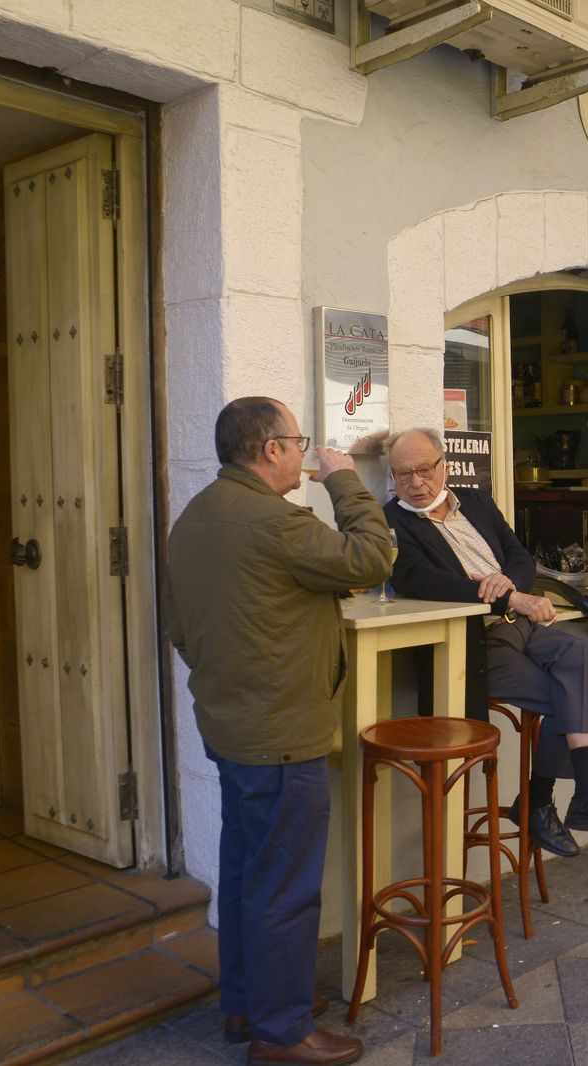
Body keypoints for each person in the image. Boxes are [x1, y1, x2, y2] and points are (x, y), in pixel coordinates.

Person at [166, 397, 393, 1066]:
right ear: (270, 450)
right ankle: (282, 1031)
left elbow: (181, 627)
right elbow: (375, 556)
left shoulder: (194, 518)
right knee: (286, 887)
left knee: (245, 872)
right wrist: (345, 478)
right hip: (281, 731)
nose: (304, 453)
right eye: (298, 443)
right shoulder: (275, 523)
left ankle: (249, 1000)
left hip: (231, 724)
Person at [382, 428, 588, 860]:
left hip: (522, 625)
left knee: (583, 655)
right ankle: (549, 799)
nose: (415, 482)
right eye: (402, 474)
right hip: (479, 642)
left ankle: (568, 798)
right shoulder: (394, 522)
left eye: (424, 470)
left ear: (444, 466)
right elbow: (419, 580)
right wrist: (509, 596)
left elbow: (519, 556)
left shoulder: (478, 503)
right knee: (568, 694)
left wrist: (513, 587)